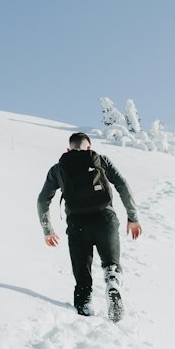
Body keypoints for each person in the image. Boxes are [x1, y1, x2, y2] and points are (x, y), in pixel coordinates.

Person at [37, 132, 142, 318]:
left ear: (68, 149)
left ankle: (84, 309)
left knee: (82, 276)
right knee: (111, 265)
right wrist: (132, 217)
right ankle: (112, 282)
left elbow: (42, 200)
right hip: (105, 219)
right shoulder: (101, 160)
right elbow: (122, 185)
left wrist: (47, 230)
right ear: (89, 147)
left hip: (77, 224)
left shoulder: (58, 169)